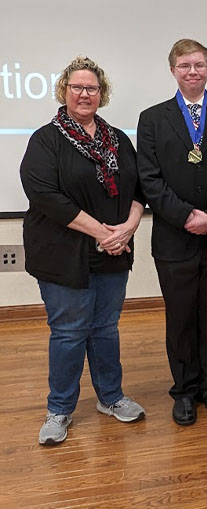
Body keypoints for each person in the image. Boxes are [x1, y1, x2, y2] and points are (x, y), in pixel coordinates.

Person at [20, 56, 146, 445]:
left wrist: (127, 227)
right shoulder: (46, 139)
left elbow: (140, 190)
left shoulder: (118, 139)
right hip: (63, 254)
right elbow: (44, 194)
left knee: (106, 329)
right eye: (77, 87)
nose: (85, 94)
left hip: (112, 252)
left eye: (92, 88)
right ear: (64, 91)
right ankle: (59, 410)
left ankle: (110, 397)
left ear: (101, 93)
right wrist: (101, 232)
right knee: (70, 332)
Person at [137, 39, 207, 427]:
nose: (192, 72)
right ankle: (184, 390)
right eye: (184, 65)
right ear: (173, 70)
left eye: (199, 65)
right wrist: (186, 216)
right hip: (174, 237)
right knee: (181, 316)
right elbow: (149, 179)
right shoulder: (152, 119)